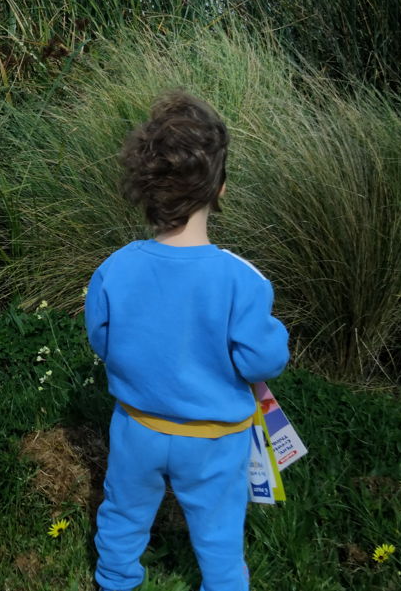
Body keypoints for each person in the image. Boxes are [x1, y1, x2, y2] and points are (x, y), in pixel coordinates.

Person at [85, 91, 291, 591]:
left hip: (138, 427)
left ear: (148, 190)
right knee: (220, 532)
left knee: (124, 512)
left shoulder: (114, 269)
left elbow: (102, 339)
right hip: (216, 438)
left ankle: (115, 579)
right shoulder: (242, 280)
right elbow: (261, 359)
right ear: (219, 188)